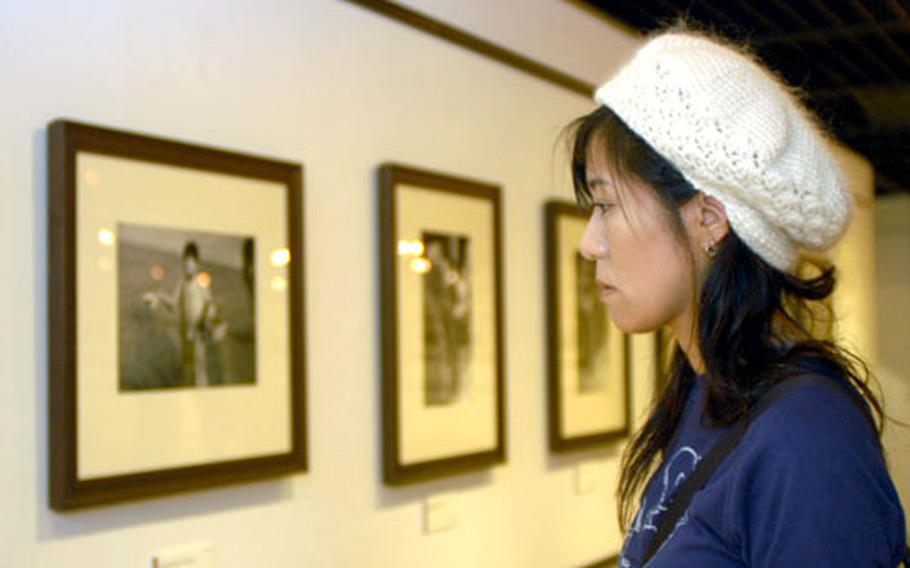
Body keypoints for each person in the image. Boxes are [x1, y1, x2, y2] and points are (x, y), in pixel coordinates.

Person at [569, 29, 908, 566]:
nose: (589, 244)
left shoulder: (807, 437)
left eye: (607, 204)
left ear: (708, 218)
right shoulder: (709, 396)